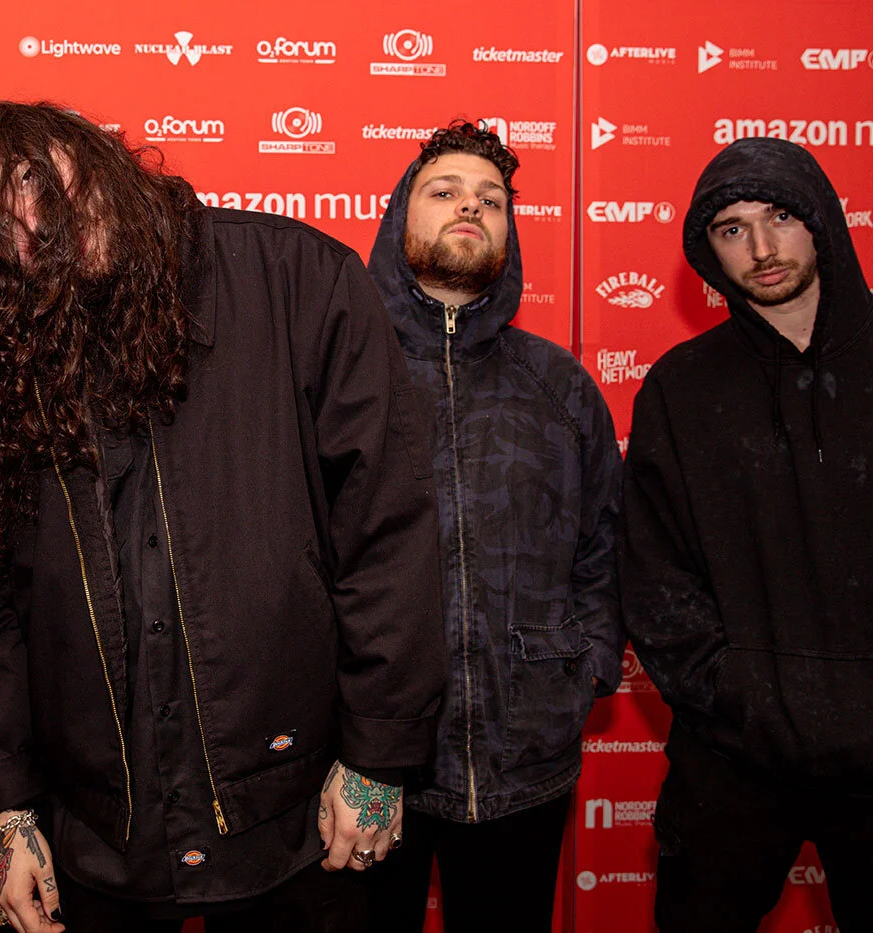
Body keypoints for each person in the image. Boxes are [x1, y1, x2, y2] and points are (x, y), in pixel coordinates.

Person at [0, 101, 446, 933]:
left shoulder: (297, 278)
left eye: (35, 177)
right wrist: (8, 810)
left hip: (295, 815)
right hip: (100, 834)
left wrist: (378, 756)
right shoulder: (0, 352)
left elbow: (388, 535)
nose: (35, 220)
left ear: (94, 153)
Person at [360, 120, 624, 931]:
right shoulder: (342, 375)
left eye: (492, 199)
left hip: (527, 761)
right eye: (445, 192)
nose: (470, 207)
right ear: (399, 217)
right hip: (369, 767)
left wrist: (583, 667)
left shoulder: (559, 384)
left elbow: (604, 546)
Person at [622, 137, 873, 932]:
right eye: (732, 229)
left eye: (780, 216)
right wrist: (741, 699)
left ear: (822, 221)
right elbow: (654, 576)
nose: (761, 248)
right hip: (734, 754)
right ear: (708, 250)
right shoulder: (680, 387)